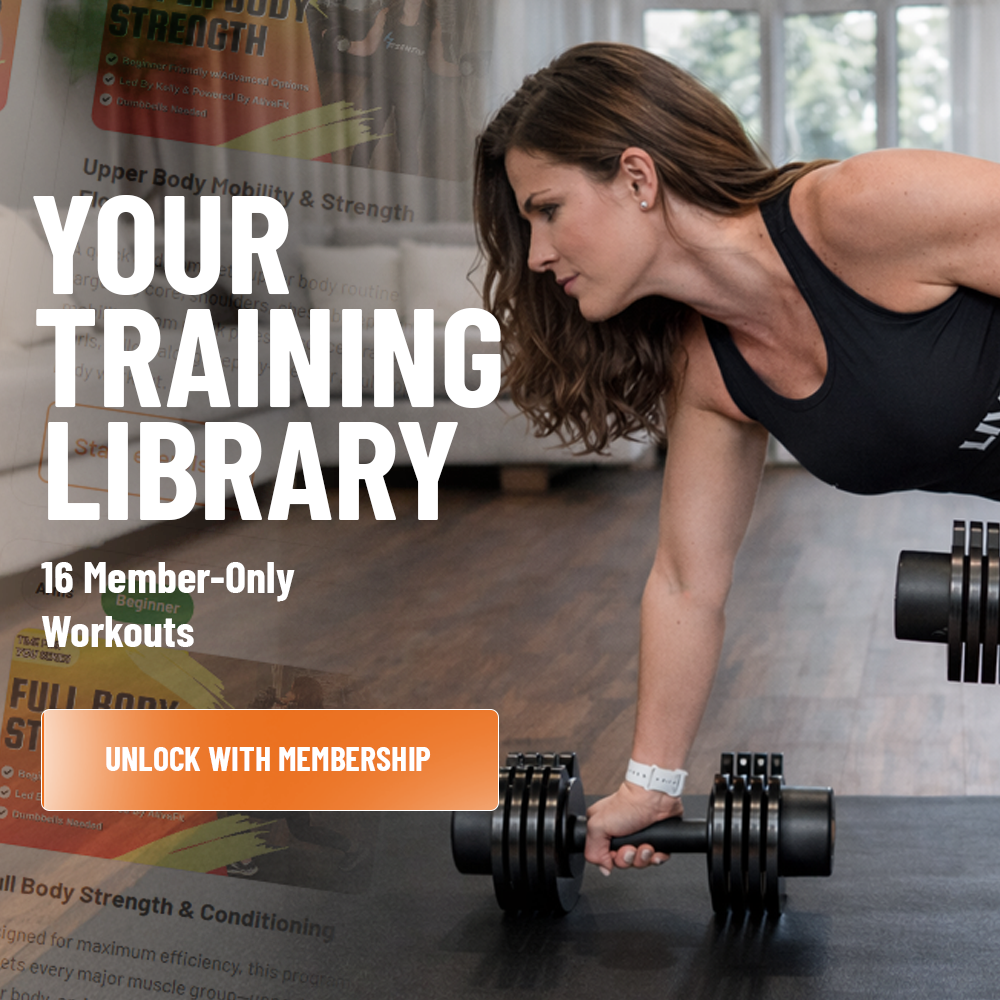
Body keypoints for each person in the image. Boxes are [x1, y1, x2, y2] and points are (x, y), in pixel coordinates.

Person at [473, 42, 1000, 877]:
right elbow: (687, 581)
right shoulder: (712, 370)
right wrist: (650, 782)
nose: (537, 254)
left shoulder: (864, 210)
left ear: (638, 178)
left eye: (547, 209)